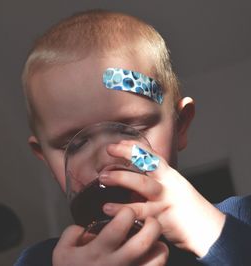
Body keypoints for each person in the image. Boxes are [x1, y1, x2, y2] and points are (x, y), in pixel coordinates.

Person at [15, 9, 251, 265]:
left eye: (131, 129)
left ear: (180, 126)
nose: (107, 158)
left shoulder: (241, 220)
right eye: (76, 143)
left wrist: (212, 234)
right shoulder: (39, 261)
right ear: (47, 160)